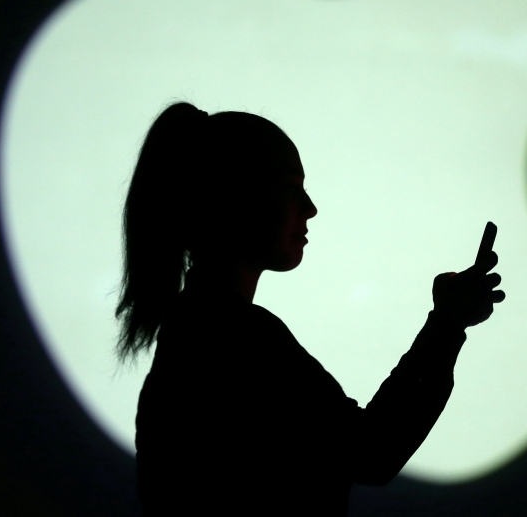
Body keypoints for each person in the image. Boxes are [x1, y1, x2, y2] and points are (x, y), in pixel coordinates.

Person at [116, 102, 504, 515]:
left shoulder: (193, 334)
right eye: (289, 188)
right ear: (234, 199)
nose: (310, 207)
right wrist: (447, 324)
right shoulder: (237, 339)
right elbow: (372, 452)